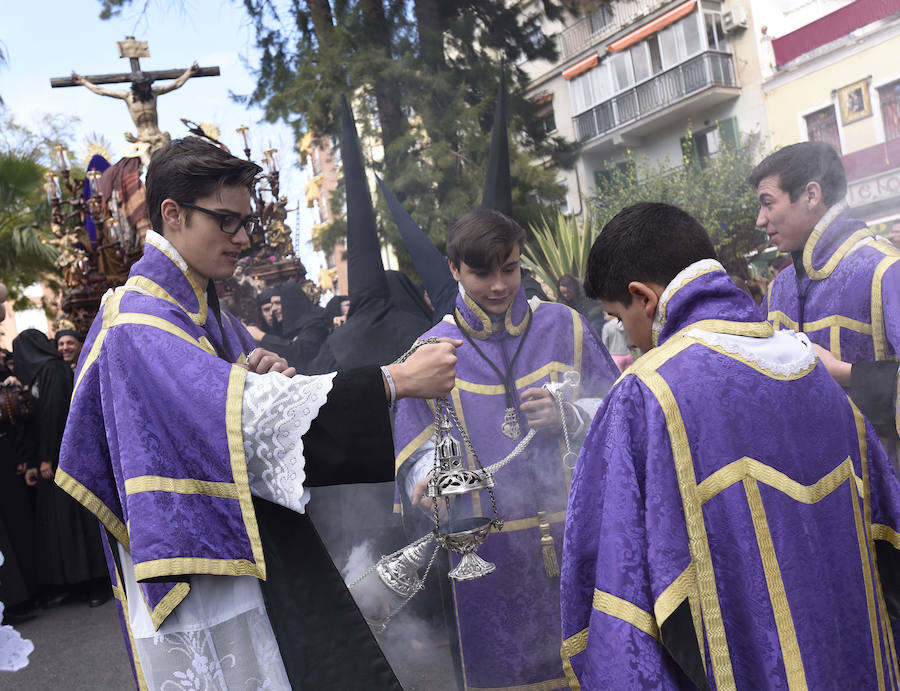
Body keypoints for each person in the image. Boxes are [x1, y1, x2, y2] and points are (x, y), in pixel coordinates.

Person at [56, 137, 461, 690]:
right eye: (226, 221)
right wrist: (395, 381)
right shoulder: (138, 321)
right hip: (201, 572)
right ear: (172, 214)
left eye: (246, 222)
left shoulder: (203, 312)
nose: (243, 238)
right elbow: (246, 425)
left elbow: (232, 409)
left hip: (230, 547)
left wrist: (258, 375)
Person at [561, 201, 900, 688]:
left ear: (643, 298)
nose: (630, 342)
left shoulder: (648, 395)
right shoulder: (813, 372)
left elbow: (619, 585)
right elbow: (889, 545)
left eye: (618, 318)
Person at [394, 209, 619, 690]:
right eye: (482, 273)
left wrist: (570, 415)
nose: (499, 286)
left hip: (579, 540)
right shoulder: (429, 351)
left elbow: (620, 409)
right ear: (454, 269)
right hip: (486, 558)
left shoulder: (565, 326)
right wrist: (427, 478)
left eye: (510, 268)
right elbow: (417, 447)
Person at [751, 142, 900, 468]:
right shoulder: (779, 289)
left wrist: (845, 374)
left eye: (767, 203)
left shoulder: (884, 269)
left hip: (883, 487)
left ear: (811, 195)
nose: (760, 220)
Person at [14, 329, 109, 609]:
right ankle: (75, 584)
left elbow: (55, 415)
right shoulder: (43, 373)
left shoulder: (53, 371)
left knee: (78, 524)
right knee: (62, 527)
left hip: (64, 461)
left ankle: (97, 582)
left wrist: (46, 458)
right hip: (52, 463)